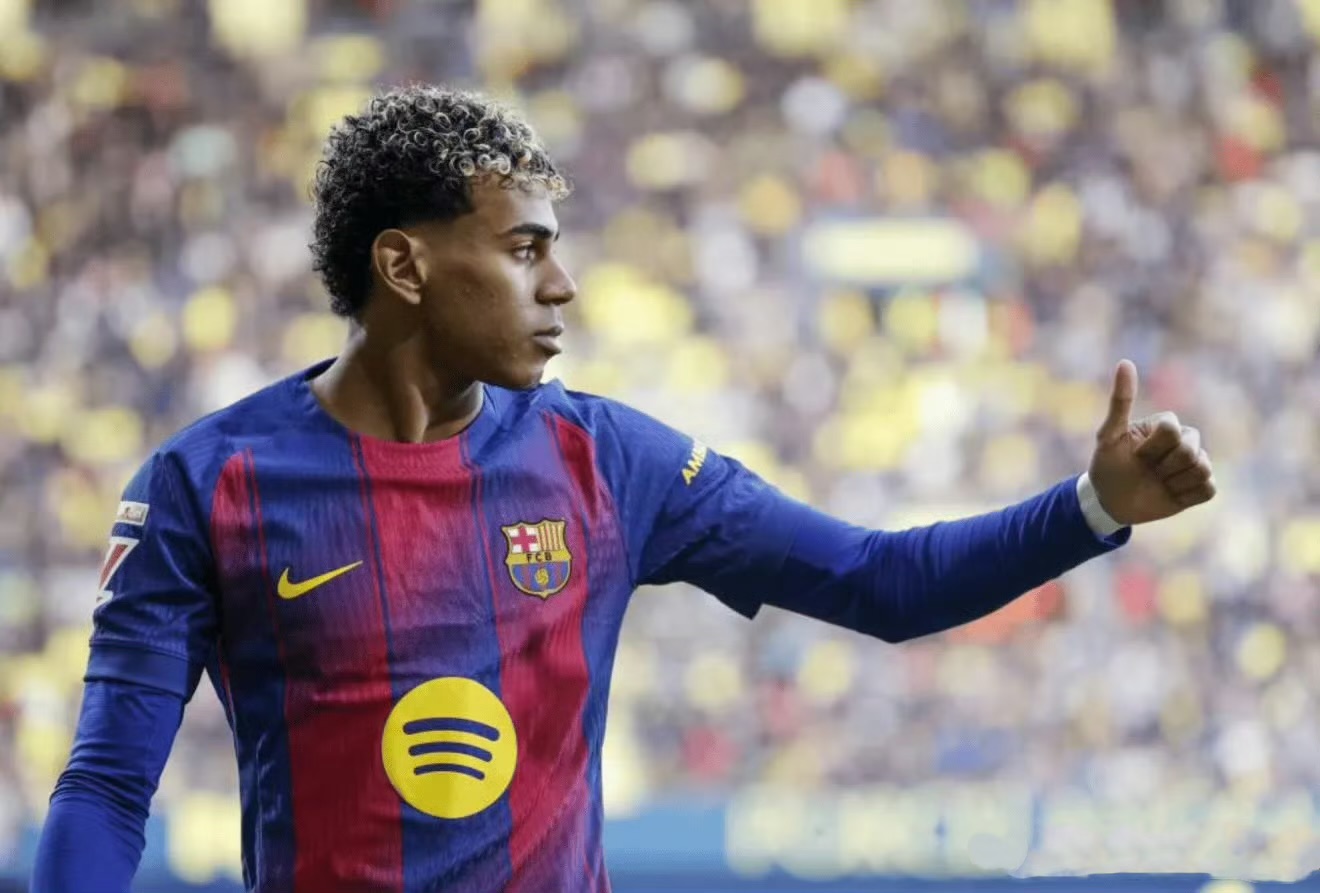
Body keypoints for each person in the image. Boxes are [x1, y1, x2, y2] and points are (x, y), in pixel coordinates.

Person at [32, 85, 1216, 893]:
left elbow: (880, 580)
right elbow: (107, 786)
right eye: (525, 248)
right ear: (404, 264)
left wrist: (1090, 506)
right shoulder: (205, 485)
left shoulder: (610, 463)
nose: (563, 285)